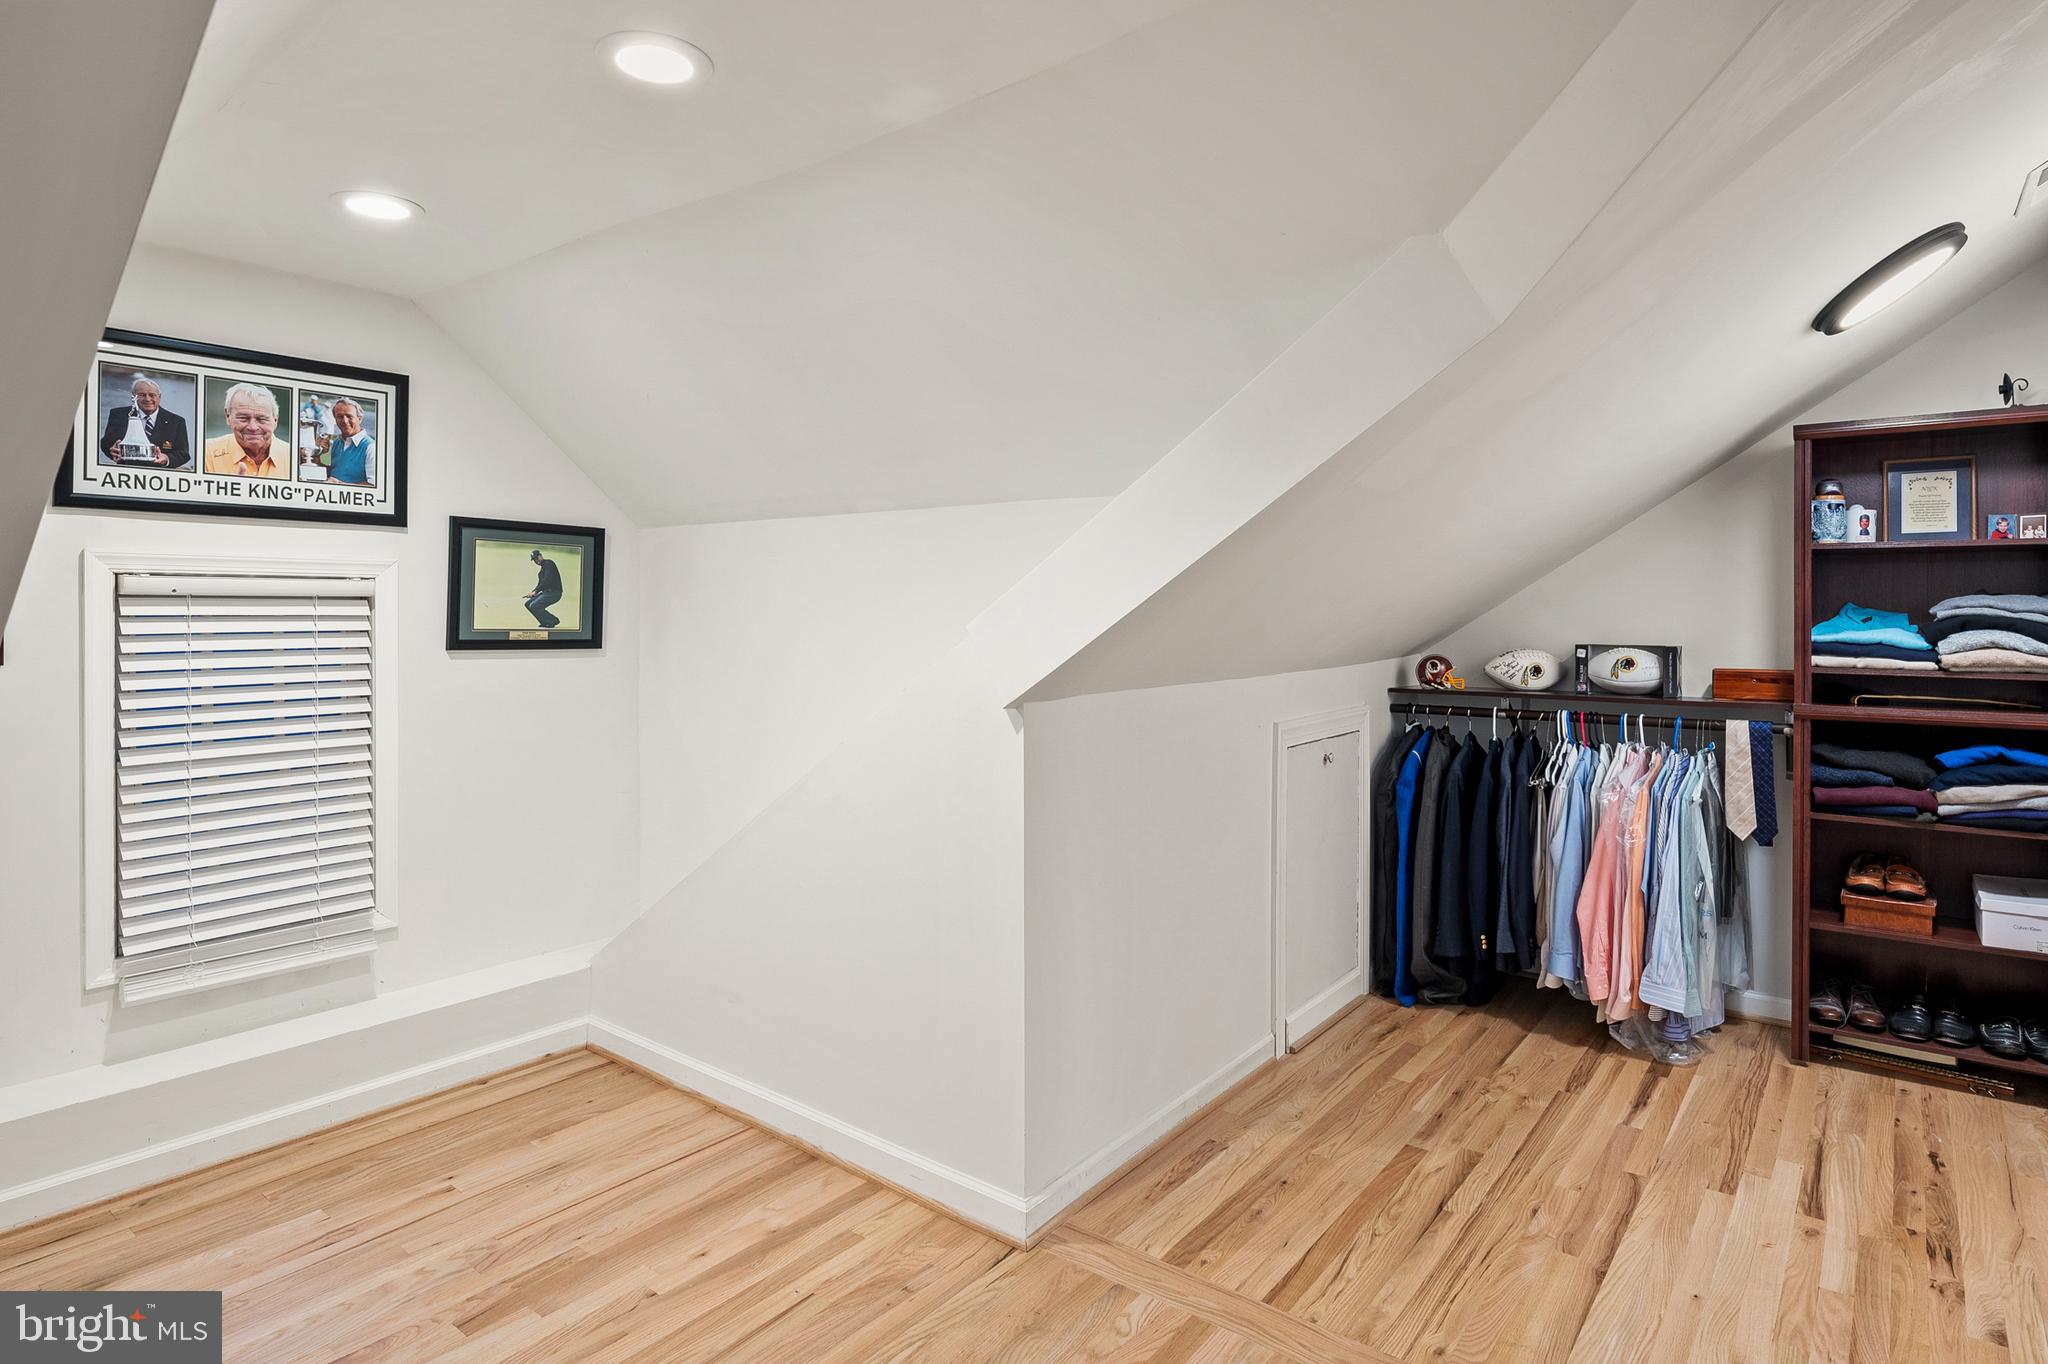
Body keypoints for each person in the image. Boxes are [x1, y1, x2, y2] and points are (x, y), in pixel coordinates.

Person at [203, 382, 289, 478]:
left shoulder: (293, 457)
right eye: (243, 418)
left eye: (261, 419)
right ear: (228, 416)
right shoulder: (205, 452)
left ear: (275, 420)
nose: (253, 427)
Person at [100, 375, 189, 468]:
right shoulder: (118, 414)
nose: (147, 399)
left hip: (159, 475)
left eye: (152, 395)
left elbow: (183, 454)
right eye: (142, 395)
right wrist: (112, 450)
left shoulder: (177, 422)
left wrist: (166, 458)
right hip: (125, 471)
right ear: (133, 397)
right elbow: (106, 443)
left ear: (159, 397)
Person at [326, 398, 376, 485]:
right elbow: (337, 472)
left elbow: (373, 486)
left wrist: (339, 484)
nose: (345, 421)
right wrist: (318, 462)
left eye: (349, 416)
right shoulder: (337, 442)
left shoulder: (371, 447)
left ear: (359, 418)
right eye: (340, 416)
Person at [524, 549, 564, 628]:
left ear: (541, 556)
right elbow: (540, 584)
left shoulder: (549, 563)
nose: (536, 560)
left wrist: (536, 591)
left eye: (537, 558)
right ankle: (545, 622)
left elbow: (547, 580)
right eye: (534, 559)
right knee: (528, 604)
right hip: (546, 593)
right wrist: (533, 592)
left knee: (534, 605)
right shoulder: (541, 572)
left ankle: (553, 621)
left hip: (555, 593)